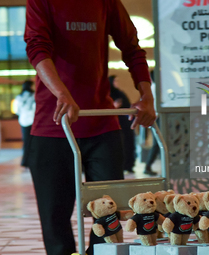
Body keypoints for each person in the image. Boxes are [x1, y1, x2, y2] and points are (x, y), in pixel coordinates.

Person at [24, 1, 156, 254]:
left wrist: (146, 96)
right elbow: (37, 47)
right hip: (52, 126)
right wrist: (62, 93)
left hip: (101, 125)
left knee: (107, 217)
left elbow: (132, 48)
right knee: (55, 219)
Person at [109, 75, 136, 173]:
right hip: (115, 123)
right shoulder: (108, 94)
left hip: (125, 123)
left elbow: (127, 105)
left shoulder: (120, 93)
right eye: (115, 81)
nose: (117, 82)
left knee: (128, 143)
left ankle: (128, 165)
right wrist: (114, 106)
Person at [14, 80, 35, 168]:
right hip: (33, 121)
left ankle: (25, 161)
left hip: (23, 121)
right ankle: (32, 161)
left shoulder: (19, 97)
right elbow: (35, 108)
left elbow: (16, 110)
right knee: (33, 142)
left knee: (26, 141)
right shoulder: (34, 96)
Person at [144, 70, 159, 175]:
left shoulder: (151, 88)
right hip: (158, 118)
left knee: (158, 144)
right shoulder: (156, 88)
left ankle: (148, 166)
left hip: (156, 118)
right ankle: (148, 166)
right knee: (157, 144)